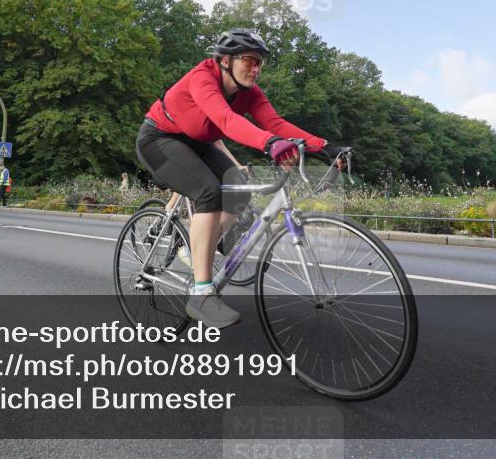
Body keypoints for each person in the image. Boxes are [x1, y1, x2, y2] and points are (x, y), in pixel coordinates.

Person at [136, 29, 347, 328]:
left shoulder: (250, 93)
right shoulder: (203, 78)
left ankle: (198, 250)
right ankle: (201, 293)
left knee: (239, 190)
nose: (256, 68)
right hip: (160, 138)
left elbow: (276, 123)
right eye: (249, 60)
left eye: (260, 62)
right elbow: (225, 119)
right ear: (225, 61)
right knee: (209, 192)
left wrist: (324, 147)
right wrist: (269, 143)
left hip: (198, 142)